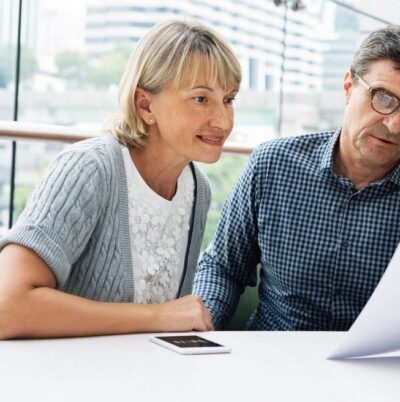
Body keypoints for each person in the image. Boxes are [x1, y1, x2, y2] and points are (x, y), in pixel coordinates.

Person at [193, 25, 400, 331]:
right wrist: (200, 324)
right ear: (349, 86)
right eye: (383, 98)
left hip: (387, 371)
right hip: (273, 361)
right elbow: (223, 268)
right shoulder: (272, 165)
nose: (395, 125)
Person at [0, 20, 241, 339]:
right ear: (145, 105)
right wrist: (157, 316)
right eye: (200, 99)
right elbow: (7, 306)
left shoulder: (197, 190)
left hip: (140, 378)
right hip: (61, 379)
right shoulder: (89, 169)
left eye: (229, 100)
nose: (223, 121)